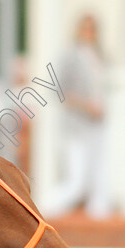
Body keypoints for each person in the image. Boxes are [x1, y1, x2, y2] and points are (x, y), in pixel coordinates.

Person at [45, 14, 110, 219]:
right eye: (85, 28)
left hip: (97, 125)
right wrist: (86, 106)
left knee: (99, 176)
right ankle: (44, 207)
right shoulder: (70, 56)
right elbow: (59, 90)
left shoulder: (101, 56)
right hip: (77, 126)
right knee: (77, 181)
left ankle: (99, 218)